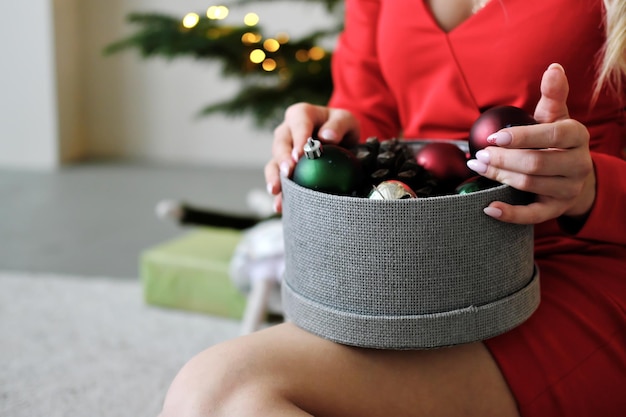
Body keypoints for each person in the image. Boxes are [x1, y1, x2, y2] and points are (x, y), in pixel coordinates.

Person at [160, 0, 626, 415]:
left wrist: (590, 186)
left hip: (583, 263)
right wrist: (338, 137)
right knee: (215, 393)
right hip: (410, 275)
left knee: (221, 395)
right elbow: (368, 115)